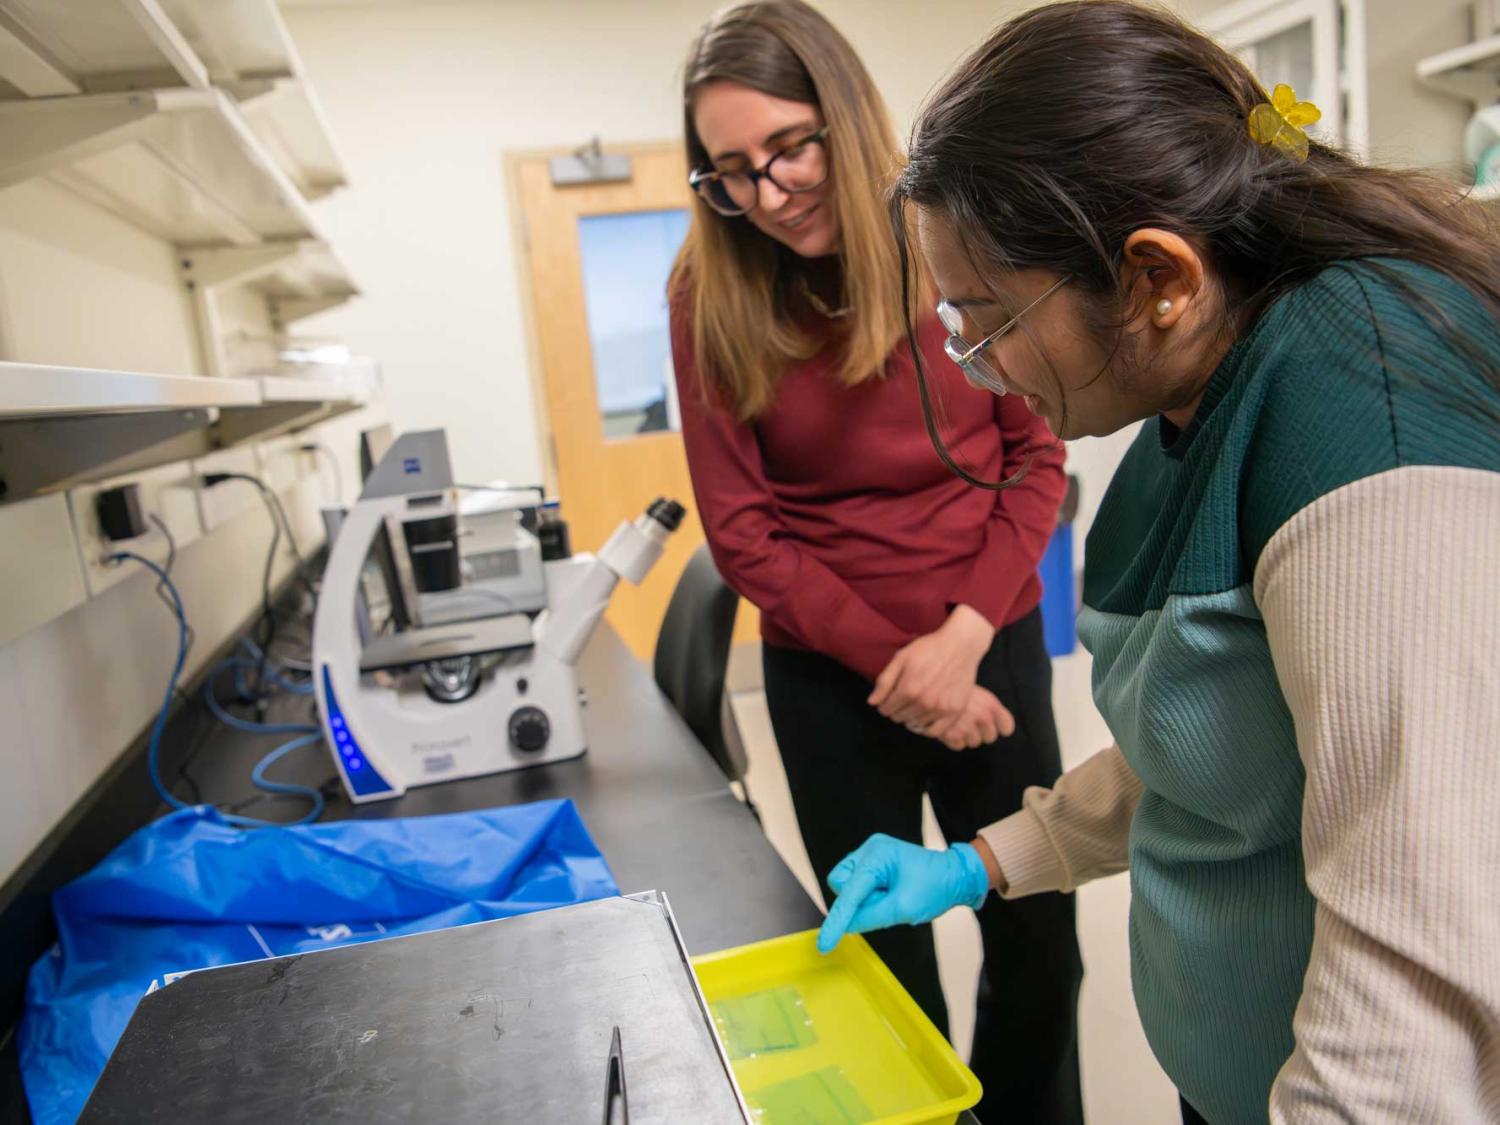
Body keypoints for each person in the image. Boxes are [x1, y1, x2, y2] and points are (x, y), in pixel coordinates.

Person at [817, 3, 1500, 1123]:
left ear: (1155, 278)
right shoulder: (1201, 395)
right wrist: (990, 858)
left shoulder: (1361, 419)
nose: (981, 375)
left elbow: (1419, 966)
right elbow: (1222, 726)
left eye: (988, 324)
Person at [667, 2, 1082, 1119]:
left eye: (788, 147)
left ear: (844, 118)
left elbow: (1036, 456)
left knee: (1040, 944)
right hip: (830, 680)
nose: (767, 192)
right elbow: (743, 530)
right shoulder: (708, 290)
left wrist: (961, 644)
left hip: (984, 645)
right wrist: (905, 670)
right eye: (730, 171)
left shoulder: (955, 237)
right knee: (883, 968)